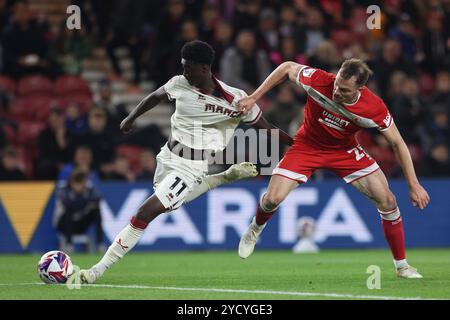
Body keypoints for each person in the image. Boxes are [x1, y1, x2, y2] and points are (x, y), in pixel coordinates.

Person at [79, 40, 293, 283]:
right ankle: (224, 177)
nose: (183, 70)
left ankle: (97, 270)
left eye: (187, 66)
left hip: (192, 167)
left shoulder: (236, 99)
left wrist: (294, 143)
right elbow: (155, 96)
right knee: (171, 203)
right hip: (167, 157)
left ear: (204, 68)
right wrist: (130, 118)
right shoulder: (179, 83)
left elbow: (266, 128)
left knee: (145, 212)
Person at [237, 59, 430, 279]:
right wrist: (254, 97)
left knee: (388, 201)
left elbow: (398, 143)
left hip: (344, 151)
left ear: (360, 89)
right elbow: (287, 67)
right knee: (272, 199)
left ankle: (402, 266)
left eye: (344, 89)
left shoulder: (373, 107)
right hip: (307, 145)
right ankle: (255, 228)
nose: (336, 91)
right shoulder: (319, 80)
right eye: (337, 83)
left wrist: (414, 184)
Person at [53, 169, 103, 253]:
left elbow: (97, 198)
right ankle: (69, 244)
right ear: (72, 182)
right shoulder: (64, 188)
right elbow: (67, 203)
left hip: (80, 223)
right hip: (63, 225)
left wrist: (82, 201)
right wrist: (85, 201)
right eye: (77, 183)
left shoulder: (88, 188)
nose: (79, 186)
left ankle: (100, 244)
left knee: (96, 210)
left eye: (81, 183)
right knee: (68, 211)